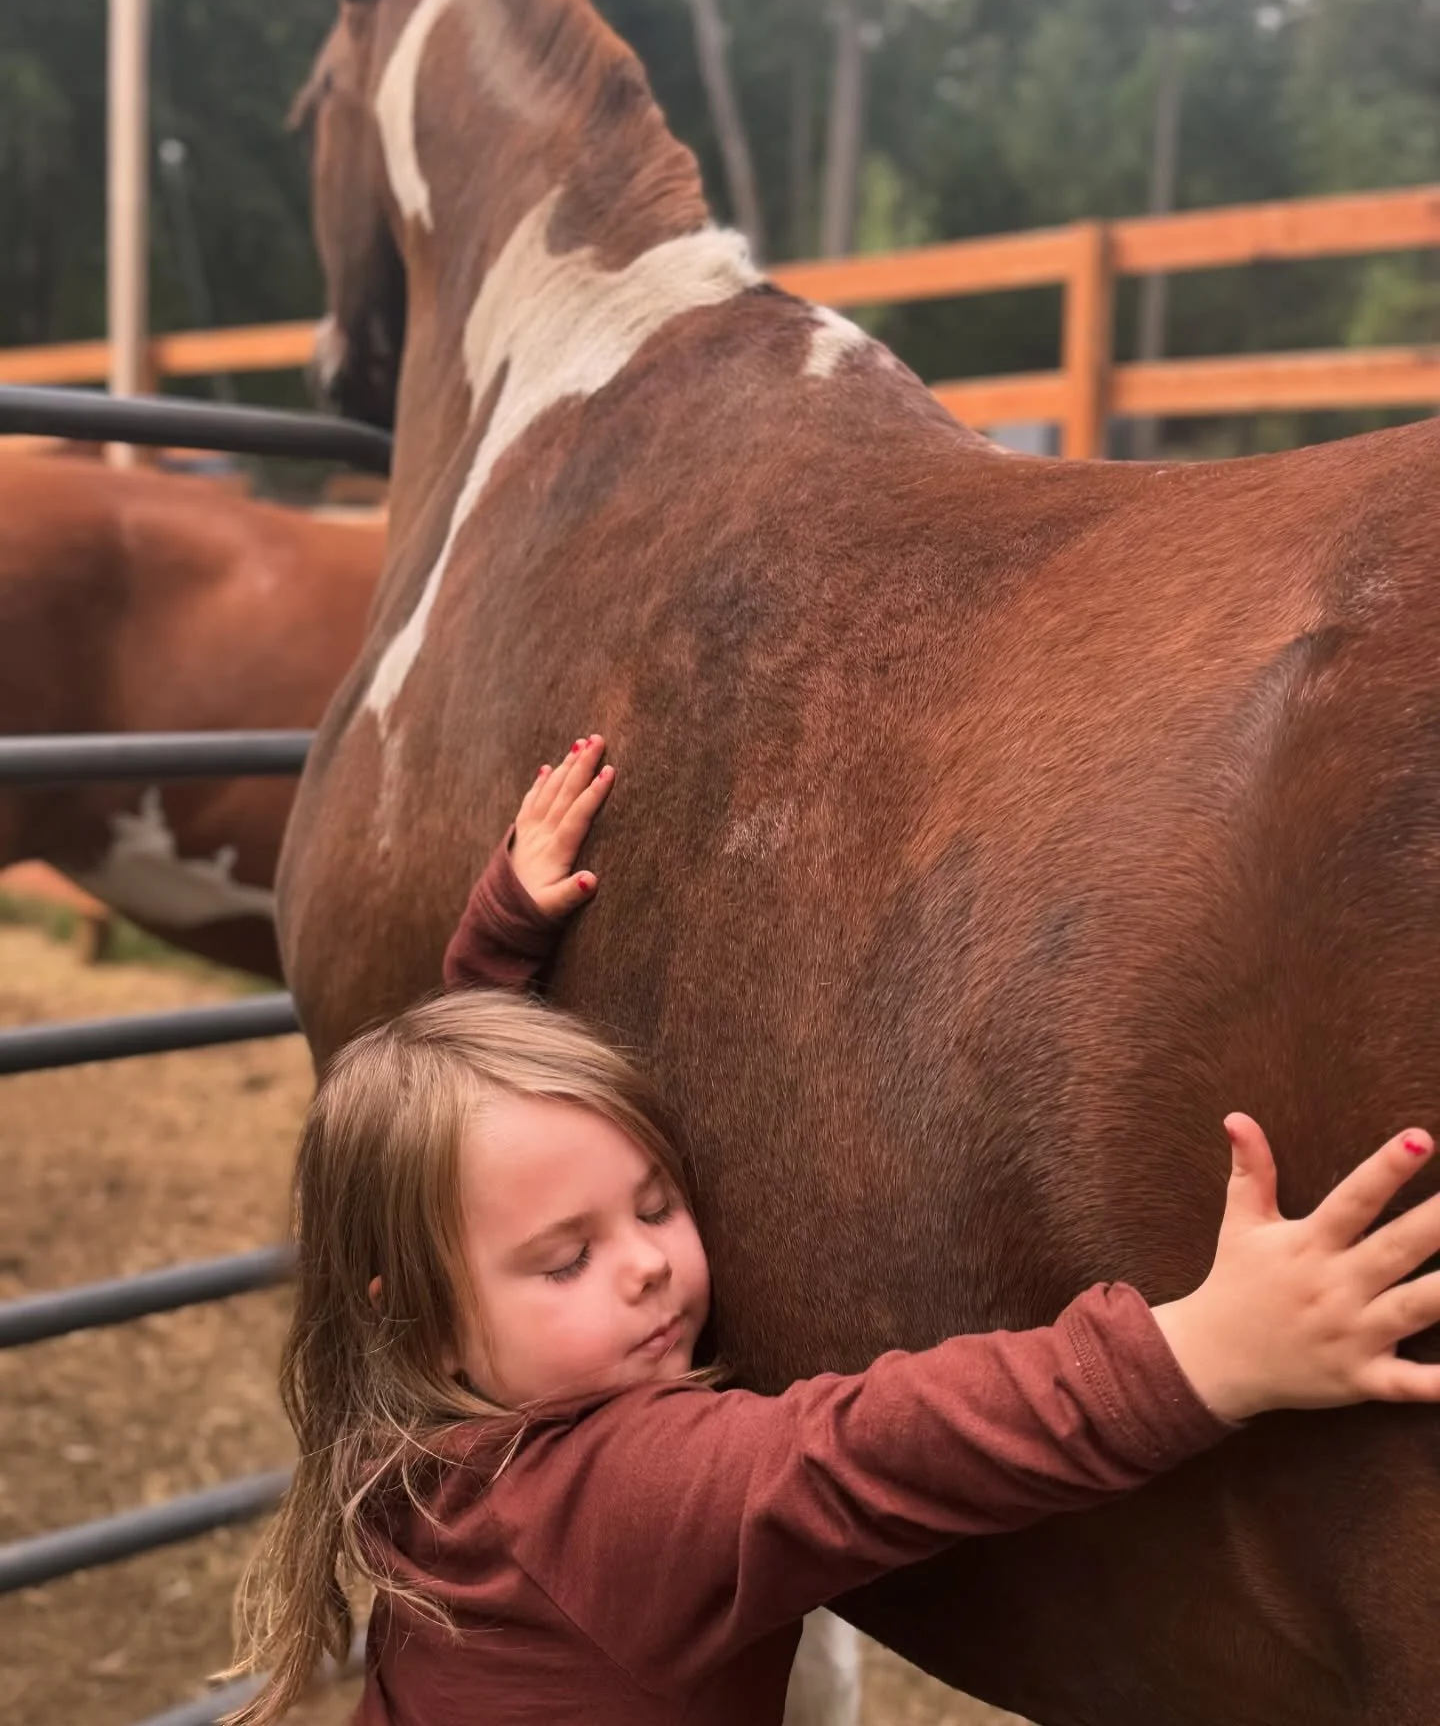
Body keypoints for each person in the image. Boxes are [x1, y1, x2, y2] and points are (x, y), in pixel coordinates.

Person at [229, 735, 1440, 1726]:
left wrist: (495, 945)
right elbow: (877, 1450)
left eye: (656, 1203)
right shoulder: (619, 1500)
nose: (650, 1263)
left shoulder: (412, 1432)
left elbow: (461, 1171)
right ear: (426, 1316)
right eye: (569, 1259)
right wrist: (1203, 1358)